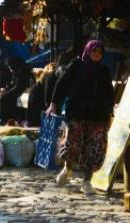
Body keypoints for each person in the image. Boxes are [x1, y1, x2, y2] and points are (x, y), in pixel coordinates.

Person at [48, 40, 114, 195]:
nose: (96, 55)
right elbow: (61, 84)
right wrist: (54, 103)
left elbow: (109, 92)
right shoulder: (76, 66)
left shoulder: (104, 70)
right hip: (77, 112)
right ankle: (67, 168)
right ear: (88, 51)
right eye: (94, 51)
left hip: (98, 115)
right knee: (73, 144)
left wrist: (110, 112)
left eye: (99, 52)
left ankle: (87, 182)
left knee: (95, 148)